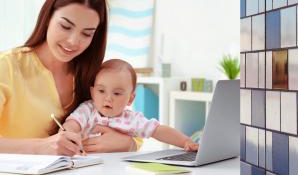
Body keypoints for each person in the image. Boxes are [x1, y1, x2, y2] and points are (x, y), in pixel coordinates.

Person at [0, 0, 142, 156]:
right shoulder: (6, 66)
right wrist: (39, 147)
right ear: (47, 18)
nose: (73, 41)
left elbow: (130, 122)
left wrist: (129, 144)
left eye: (87, 33)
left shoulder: (93, 73)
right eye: (65, 26)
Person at [63, 59, 199, 152]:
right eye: (101, 91)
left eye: (117, 93)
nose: (108, 98)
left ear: (130, 99)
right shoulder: (87, 109)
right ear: (92, 92)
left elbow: (159, 130)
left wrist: (186, 142)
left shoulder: (131, 120)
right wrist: (68, 133)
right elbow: (73, 123)